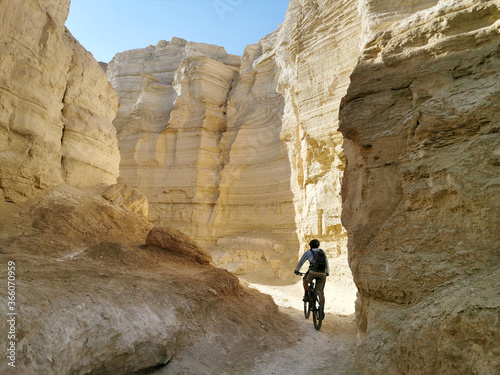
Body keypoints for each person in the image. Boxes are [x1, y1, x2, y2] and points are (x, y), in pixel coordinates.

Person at [294, 239, 329, 304]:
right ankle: (322, 311)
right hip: (323, 273)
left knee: (305, 280)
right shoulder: (322, 252)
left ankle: (306, 294)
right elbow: (326, 262)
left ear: (310, 246)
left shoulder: (308, 252)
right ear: (318, 246)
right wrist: (327, 272)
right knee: (321, 293)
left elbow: (301, 262)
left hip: (312, 272)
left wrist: (297, 270)